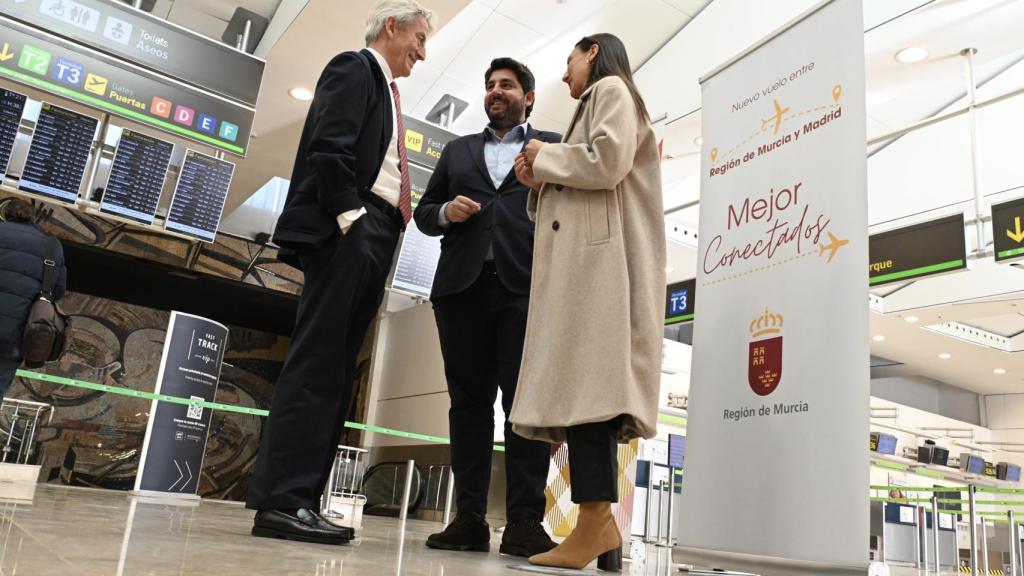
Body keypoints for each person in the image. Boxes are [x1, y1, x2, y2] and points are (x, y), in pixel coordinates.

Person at [245, 0, 435, 545]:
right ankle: (283, 501)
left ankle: (301, 499)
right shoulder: (354, 67)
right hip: (350, 228)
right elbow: (329, 147)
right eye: (419, 39)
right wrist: (350, 217)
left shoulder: (387, 91)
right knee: (317, 364)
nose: (422, 54)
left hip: (375, 233)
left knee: (334, 372)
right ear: (392, 26)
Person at [511, 33, 666, 571]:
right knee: (587, 395)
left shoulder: (611, 90)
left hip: (600, 271)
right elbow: (593, 178)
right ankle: (595, 524)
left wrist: (545, 155)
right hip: (591, 269)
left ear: (593, 51)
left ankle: (595, 522)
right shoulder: (604, 99)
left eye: (570, 60)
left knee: (590, 395)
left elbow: (607, 162)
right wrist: (540, 182)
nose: (564, 74)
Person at [414, 58, 561, 557]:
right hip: (462, 291)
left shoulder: (551, 146)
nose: (496, 91)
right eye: (490, 85)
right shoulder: (456, 151)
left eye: (507, 85)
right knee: (468, 406)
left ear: (529, 97)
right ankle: (470, 518)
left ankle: (524, 522)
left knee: (525, 407)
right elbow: (423, 213)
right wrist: (445, 211)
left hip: (527, 290)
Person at [0, 198, 67, 397]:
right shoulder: (52, 247)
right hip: (14, 337)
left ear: (5, 214)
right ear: (32, 218)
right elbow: (57, 292)